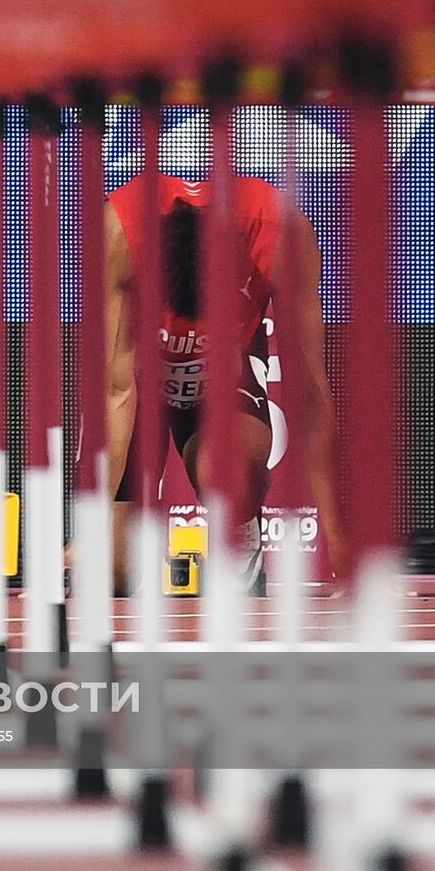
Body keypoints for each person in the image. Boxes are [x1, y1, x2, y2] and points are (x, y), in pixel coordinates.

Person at [103, 172, 347, 592]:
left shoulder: (281, 233)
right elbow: (115, 393)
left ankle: (241, 536)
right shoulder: (121, 230)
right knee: (112, 578)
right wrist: (91, 528)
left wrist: (344, 548)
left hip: (224, 379)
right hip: (143, 383)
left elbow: (310, 392)